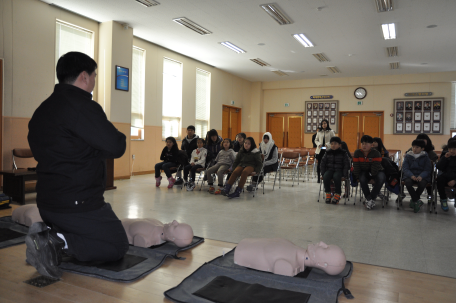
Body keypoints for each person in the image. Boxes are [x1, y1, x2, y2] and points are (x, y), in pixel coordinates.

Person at [26, 52, 129, 279]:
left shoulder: (42, 110)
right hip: (77, 203)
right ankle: (53, 243)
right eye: (94, 76)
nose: (93, 81)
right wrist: (93, 149)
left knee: (87, 231)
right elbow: (116, 145)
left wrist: (88, 149)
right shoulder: (82, 106)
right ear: (84, 76)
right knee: (117, 244)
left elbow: (45, 149)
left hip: (46, 202)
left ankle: (54, 236)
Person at [353, 135, 386, 210]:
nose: (364, 145)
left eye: (366, 144)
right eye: (363, 143)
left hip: (377, 171)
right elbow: (356, 166)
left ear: (371, 145)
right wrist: (357, 177)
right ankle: (370, 200)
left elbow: (375, 167)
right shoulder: (357, 152)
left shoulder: (376, 153)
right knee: (362, 178)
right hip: (364, 171)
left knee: (381, 178)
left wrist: (372, 178)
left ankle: (369, 199)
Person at [402, 140, 433, 213]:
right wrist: (411, 175)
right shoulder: (408, 156)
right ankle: (417, 201)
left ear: (422, 149)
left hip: (422, 176)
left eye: (417, 147)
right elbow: (405, 168)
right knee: (408, 183)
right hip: (410, 175)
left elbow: (427, 170)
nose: (414, 149)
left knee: (422, 184)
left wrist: (421, 176)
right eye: (413, 147)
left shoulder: (425, 157)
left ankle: (414, 200)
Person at [320, 137, 350, 204]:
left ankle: (337, 194)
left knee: (336, 176)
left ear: (339, 145)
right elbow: (322, 163)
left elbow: (346, 164)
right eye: (332, 144)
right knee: (326, 176)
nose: (333, 145)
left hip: (339, 170)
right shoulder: (327, 152)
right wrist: (322, 173)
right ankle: (328, 194)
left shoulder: (343, 153)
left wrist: (344, 174)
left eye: (335, 144)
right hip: (330, 170)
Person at [436, 138, 456, 212]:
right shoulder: (446, 155)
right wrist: (444, 158)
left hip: (455, 177)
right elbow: (439, 167)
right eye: (450, 149)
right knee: (440, 179)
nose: (451, 151)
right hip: (446, 176)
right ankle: (443, 199)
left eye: (454, 149)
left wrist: (454, 180)